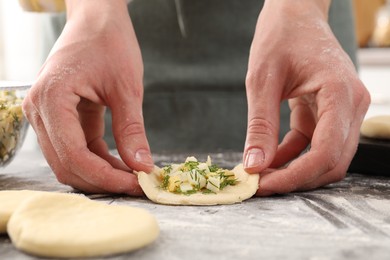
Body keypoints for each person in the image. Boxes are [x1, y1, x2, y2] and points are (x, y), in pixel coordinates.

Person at [22, 0, 370, 196]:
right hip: (105, 33)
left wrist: (300, 8)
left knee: (310, 160)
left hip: (298, 29)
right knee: (84, 165)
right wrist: (92, 11)